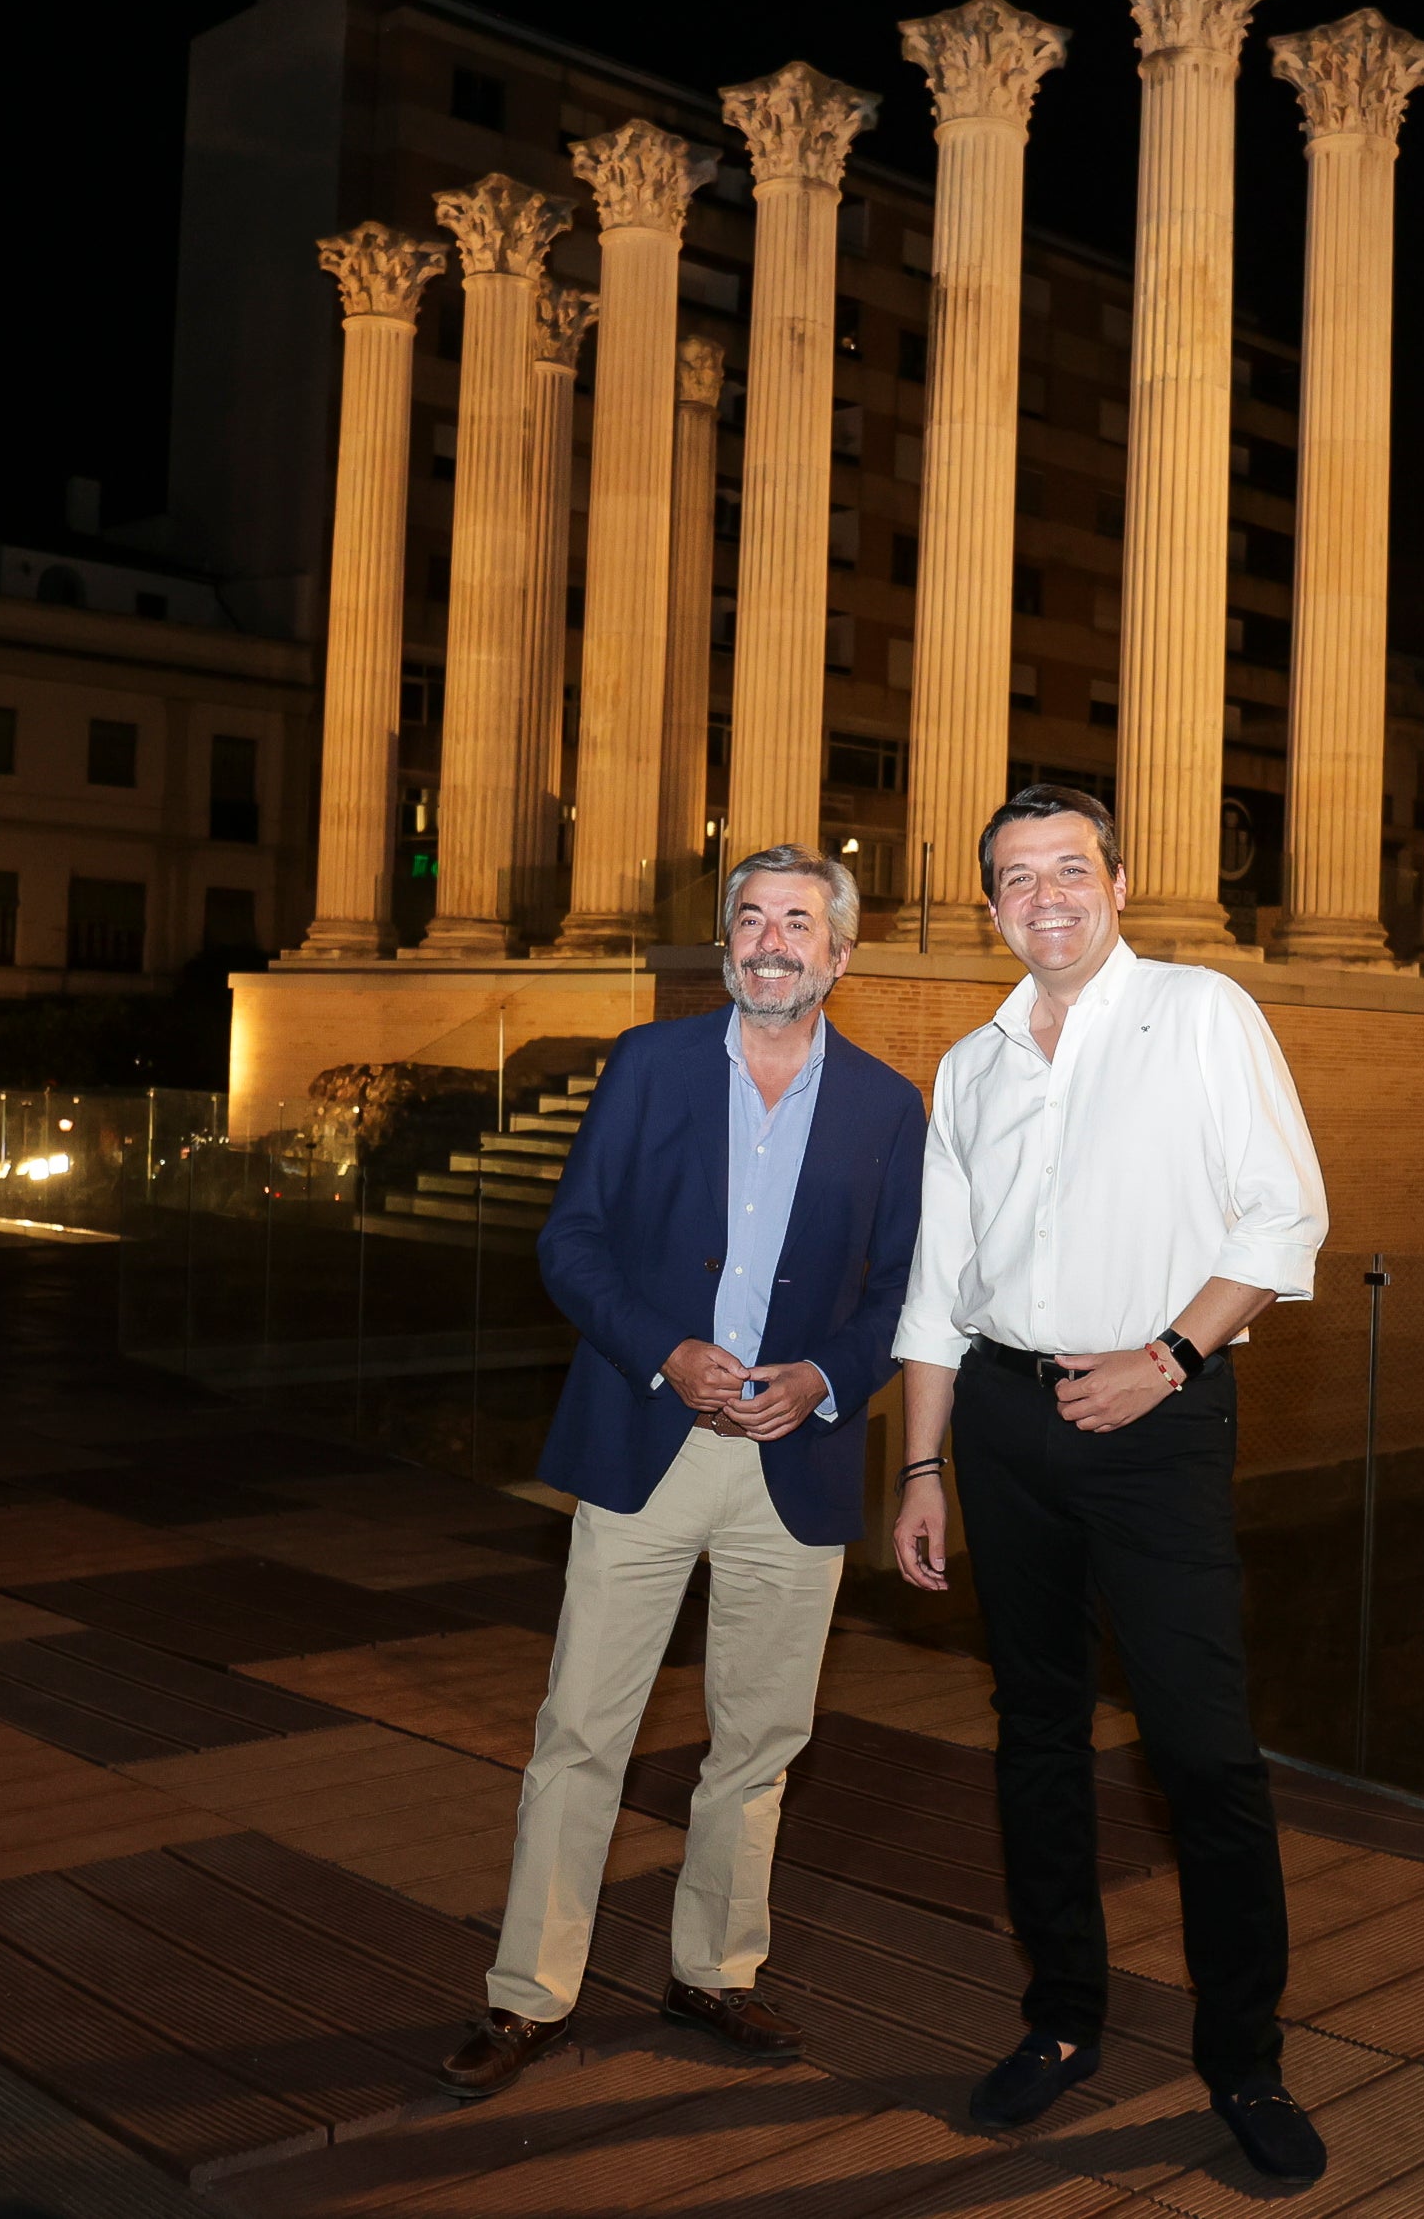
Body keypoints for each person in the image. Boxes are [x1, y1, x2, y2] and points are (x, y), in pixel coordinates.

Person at [887, 785, 1333, 2184]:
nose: (1046, 897)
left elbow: (1286, 1214)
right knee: (1034, 1737)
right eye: (1016, 879)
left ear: (1119, 883)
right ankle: (1062, 2021)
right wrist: (918, 1463)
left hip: (1154, 1419)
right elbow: (935, 1289)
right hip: (1005, 1430)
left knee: (1201, 1749)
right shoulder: (969, 1066)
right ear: (991, 908)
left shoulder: (1201, 1014)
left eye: (1068, 870)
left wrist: (1169, 1357)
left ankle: (1244, 2060)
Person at [439, 847, 926, 2100]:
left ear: (840, 952)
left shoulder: (887, 1106)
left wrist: (824, 1376)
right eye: (751, 918)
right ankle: (528, 1994)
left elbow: (900, 1296)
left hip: (796, 1464)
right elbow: (572, 1240)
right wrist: (667, 1352)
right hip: (647, 1444)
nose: (771, 940)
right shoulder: (649, 1066)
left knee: (758, 1740)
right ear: (727, 946)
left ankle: (713, 1969)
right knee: (580, 1731)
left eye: (797, 922)